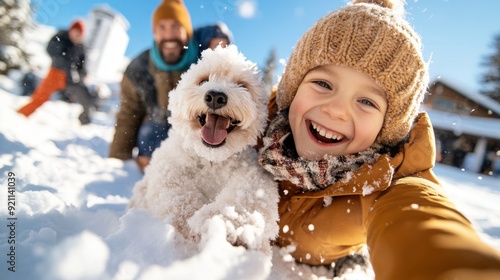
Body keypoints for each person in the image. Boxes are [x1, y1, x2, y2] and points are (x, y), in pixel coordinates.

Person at [258, 0, 500, 279]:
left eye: (366, 101)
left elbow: (420, 221)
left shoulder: (380, 184)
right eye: (323, 84)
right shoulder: (249, 126)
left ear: (385, 128)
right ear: (294, 87)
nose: (336, 110)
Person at [109, 0, 232, 172]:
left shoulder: (204, 58)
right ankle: (152, 171)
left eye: (176, 26)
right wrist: (119, 158)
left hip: (198, 128)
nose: (169, 35)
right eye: (162, 28)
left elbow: (216, 34)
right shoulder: (139, 68)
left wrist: (218, 35)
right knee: (149, 134)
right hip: (157, 129)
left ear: (187, 32)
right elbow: (129, 113)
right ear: (154, 33)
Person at [17, 20, 93, 125]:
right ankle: (20, 115)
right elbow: (51, 50)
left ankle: (84, 120)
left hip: (71, 78)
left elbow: (82, 66)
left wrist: (83, 75)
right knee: (40, 97)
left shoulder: (80, 47)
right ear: (71, 31)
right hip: (56, 73)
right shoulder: (62, 37)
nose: (77, 37)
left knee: (84, 96)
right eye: (75, 33)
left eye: (79, 35)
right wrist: (64, 57)